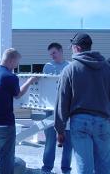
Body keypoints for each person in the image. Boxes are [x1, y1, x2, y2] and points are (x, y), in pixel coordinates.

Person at [0, 48, 38, 174]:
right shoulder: (11, 77)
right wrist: (30, 81)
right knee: (6, 157)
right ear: (11, 60)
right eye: (17, 63)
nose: (17, 65)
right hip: (5, 124)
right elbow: (18, 94)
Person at [54, 33, 110, 174]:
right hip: (103, 121)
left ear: (77, 48)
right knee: (104, 167)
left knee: (84, 167)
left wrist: (60, 129)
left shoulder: (70, 69)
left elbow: (62, 101)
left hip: (80, 122)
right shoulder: (106, 68)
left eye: (72, 47)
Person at [42, 43, 72, 174]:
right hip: (50, 110)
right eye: (50, 54)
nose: (52, 56)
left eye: (54, 52)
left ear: (60, 51)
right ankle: (47, 168)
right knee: (50, 141)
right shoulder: (47, 67)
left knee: (68, 142)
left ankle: (66, 169)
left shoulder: (70, 66)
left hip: (67, 110)